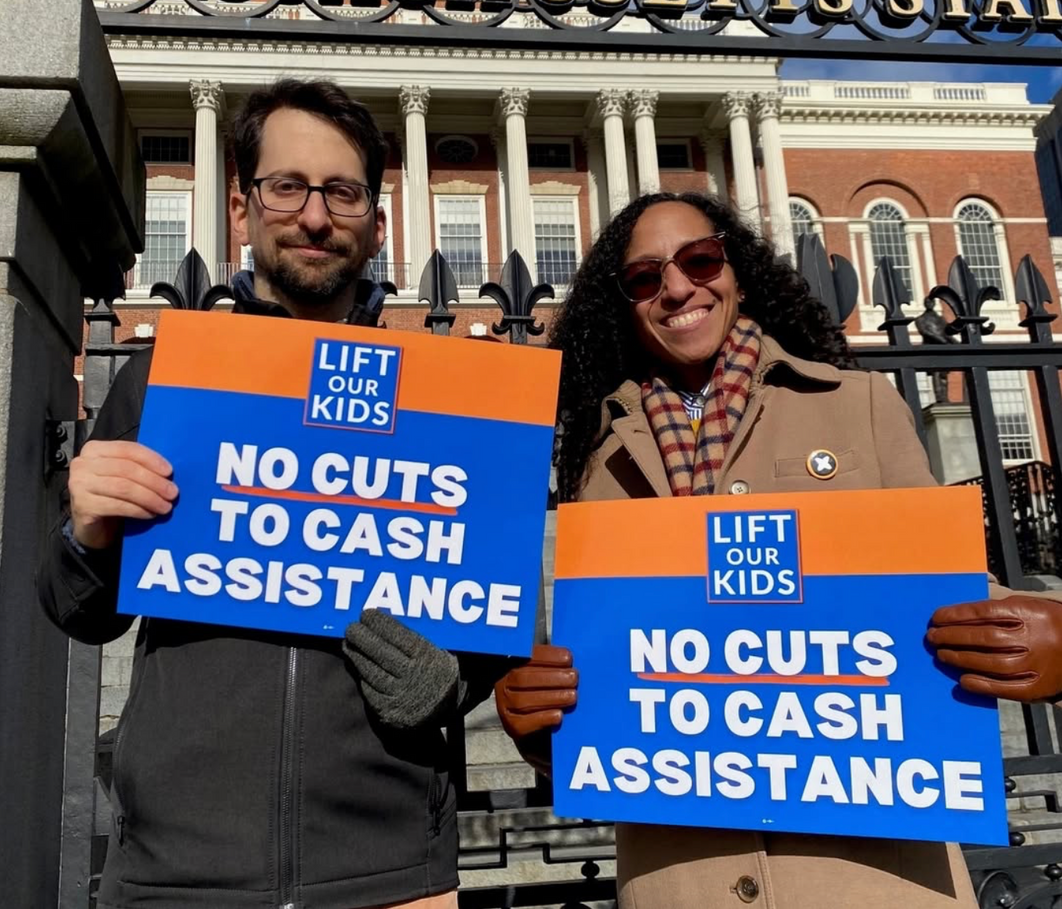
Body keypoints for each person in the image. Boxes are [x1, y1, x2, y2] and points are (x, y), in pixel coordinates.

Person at [494, 191, 1062, 909]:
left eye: (699, 260)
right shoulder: (597, 461)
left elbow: (945, 592)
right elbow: (598, 685)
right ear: (626, 303)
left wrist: (1051, 634)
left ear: (736, 269)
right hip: (682, 879)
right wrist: (539, 726)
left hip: (872, 876)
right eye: (644, 278)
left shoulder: (858, 404)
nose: (676, 288)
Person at [38, 78, 501, 909]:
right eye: (286, 186)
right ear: (245, 212)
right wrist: (87, 533)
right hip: (177, 873)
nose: (315, 216)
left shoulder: (454, 401)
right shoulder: (165, 380)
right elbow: (80, 610)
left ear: (377, 223)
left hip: (390, 869)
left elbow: (491, 615)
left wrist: (455, 681)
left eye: (343, 191)